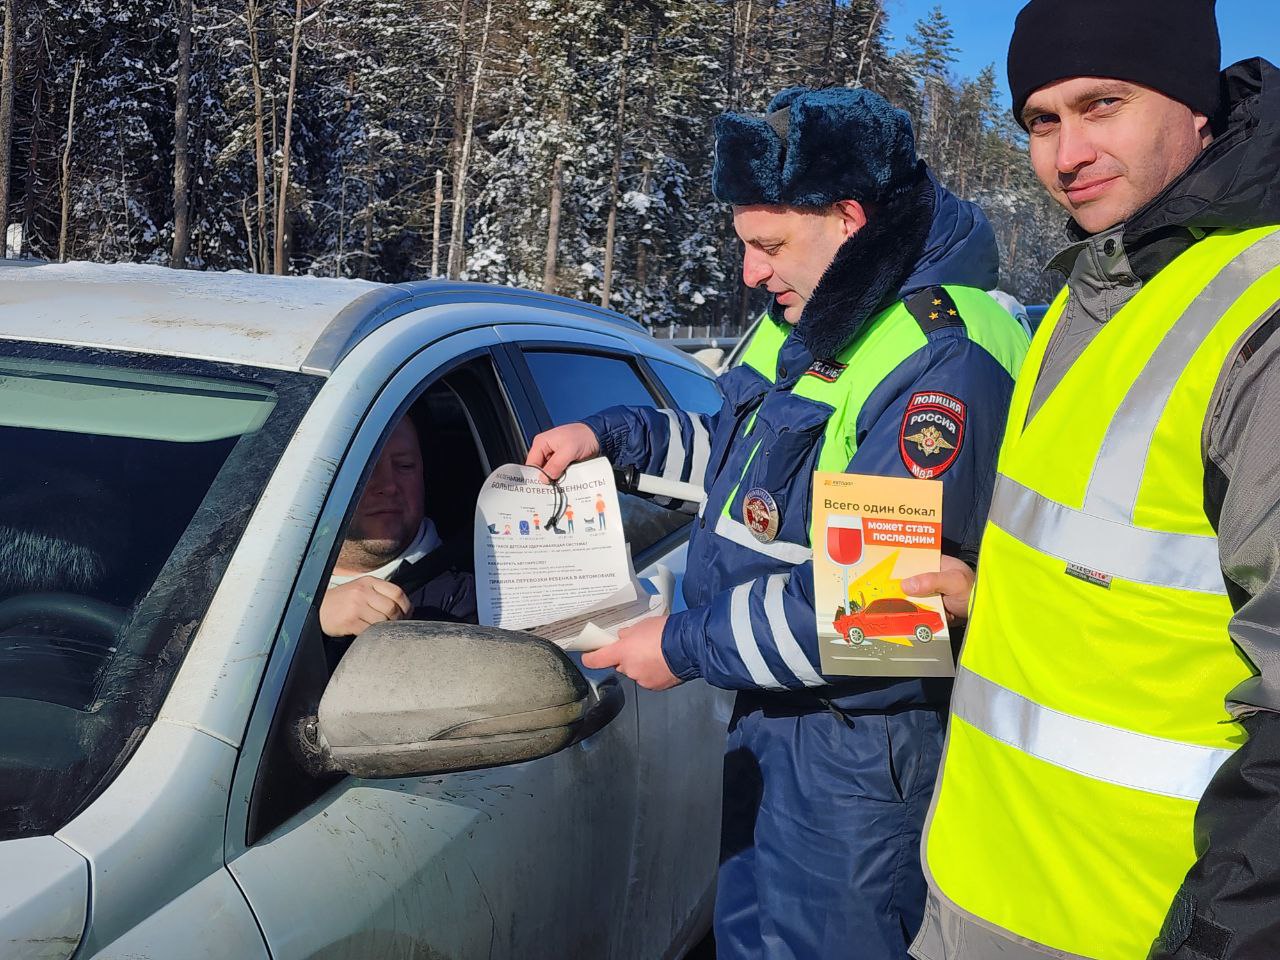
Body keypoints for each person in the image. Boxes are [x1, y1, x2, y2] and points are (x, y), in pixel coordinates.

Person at [527, 87, 1028, 960]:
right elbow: (743, 461)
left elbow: (880, 608)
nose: (752, 274)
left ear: (849, 217)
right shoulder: (811, 314)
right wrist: (615, 437)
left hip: (862, 750)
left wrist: (680, 645)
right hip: (773, 706)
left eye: (768, 247)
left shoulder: (937, 355)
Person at [905, 3, 1280, 959]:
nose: (1067, 153)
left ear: (1196, 105)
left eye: (1101, 104)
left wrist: (1219, 940)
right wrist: (994, 599)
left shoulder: (1255, 319)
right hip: (975, 889)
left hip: (1131, 921)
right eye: (1041, 120)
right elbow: (1143, 588)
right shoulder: (1098, 287)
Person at [320, 416, 475, 638]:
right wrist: (307, 620)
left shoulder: (473, 592)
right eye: (364, 468)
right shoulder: (264, 578)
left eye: (404, 466)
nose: (389, 485)